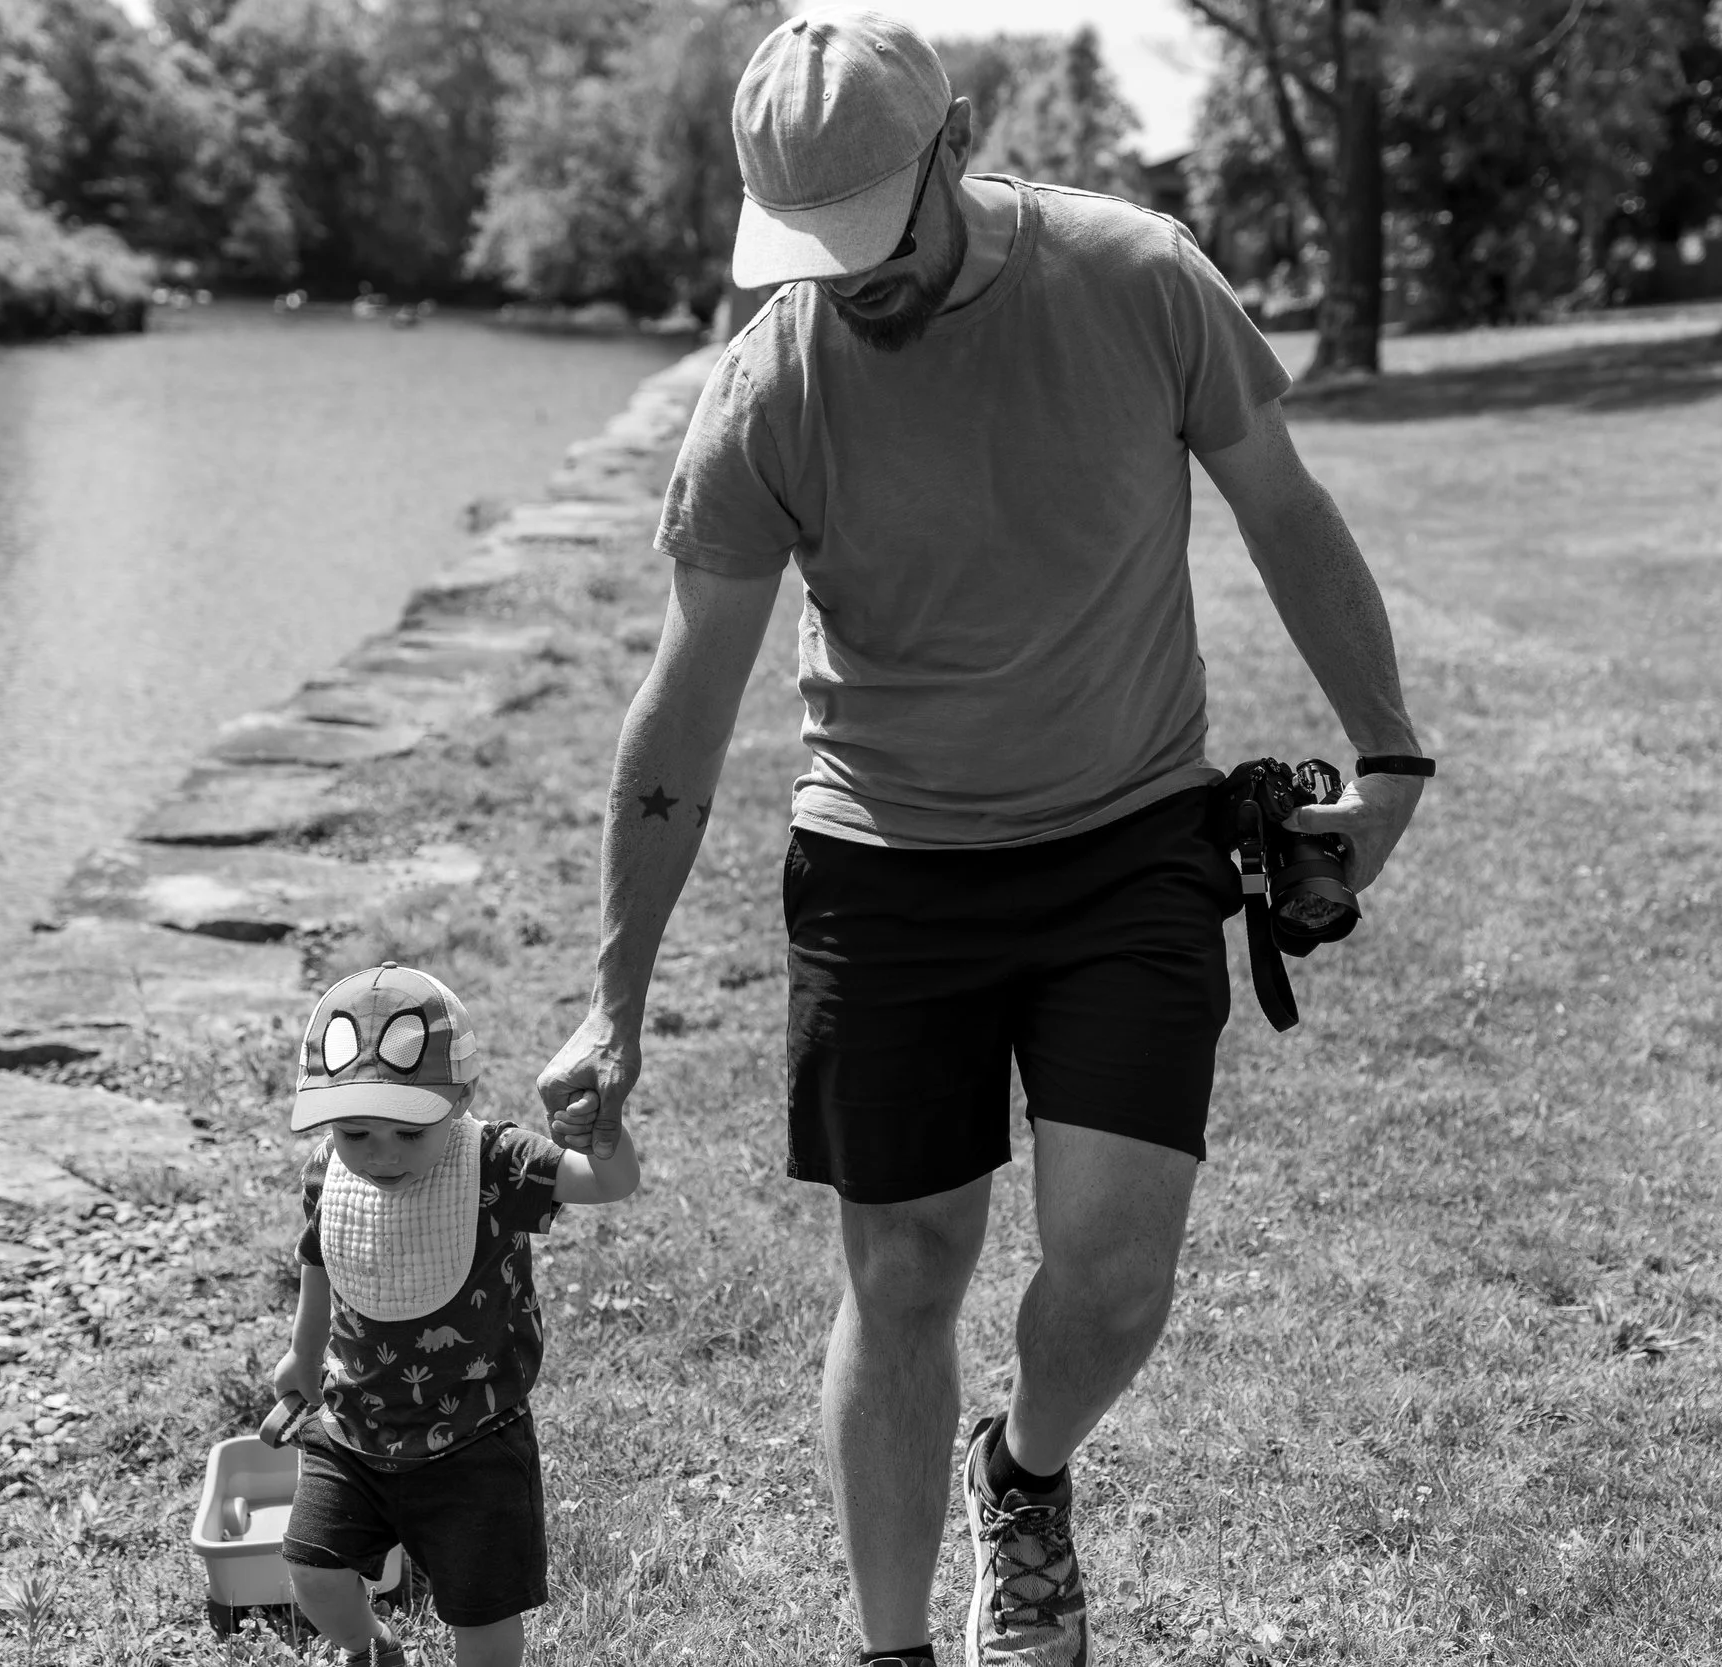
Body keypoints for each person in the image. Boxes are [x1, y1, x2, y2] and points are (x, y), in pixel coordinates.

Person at [536, 8, 1431, 1666]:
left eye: (871, 237)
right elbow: (684, 705)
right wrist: (614, 996)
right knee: (905, 1271)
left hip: (1126, 837)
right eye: (809, 248)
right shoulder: (770, 386)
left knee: (1114, 1273)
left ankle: (1021, 1473)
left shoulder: (1136, 279)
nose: (846, 281)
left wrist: (1388, 751)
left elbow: (1285, 506)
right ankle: (892, 1647)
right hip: (884, 869)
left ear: (956, 147)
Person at [277, 963, 641, 1667]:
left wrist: (600, 1129)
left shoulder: (496, 1163)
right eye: (356, 1131)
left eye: (409, 1132)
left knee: (484, 1620)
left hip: (476, 1438)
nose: (381, 1154)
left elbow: (611, 1181)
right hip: (353, 1425)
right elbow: (322, 1256)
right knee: (312, 1570)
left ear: (461, 1098)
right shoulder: (329, 1171)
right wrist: (303, 1351)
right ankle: (371, 1648)